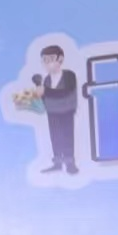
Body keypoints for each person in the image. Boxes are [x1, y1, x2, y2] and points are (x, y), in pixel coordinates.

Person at [33, 42, 80, 175]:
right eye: (45, 60)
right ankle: (57, 163)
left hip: (66, 110)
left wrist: (46, 91)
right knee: (55, 136)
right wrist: (40, 94)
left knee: (67, 136)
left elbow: (66, 91)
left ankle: (70, 163)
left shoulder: (69, 75)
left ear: (60, 59)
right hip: (52, 111)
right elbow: (46, 98)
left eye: (51, 59)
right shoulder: (47, 79)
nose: (48, 63)